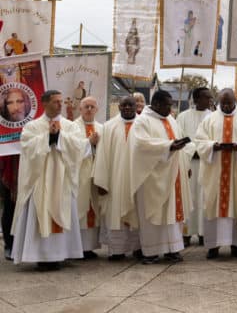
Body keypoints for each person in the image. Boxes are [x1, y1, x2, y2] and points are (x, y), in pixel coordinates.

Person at [11, 90, 85, 270]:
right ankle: (41, 256)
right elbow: (27, 147)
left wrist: (59, 136)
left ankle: (62, 254)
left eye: (61, 101)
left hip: (62, 180)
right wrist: (48, 137)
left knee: (63, 209)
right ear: (44, 103)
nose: (60, 105)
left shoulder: (70, 125)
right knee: (39, 214)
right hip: (40, 180)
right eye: (56, 102)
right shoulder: (32, 126)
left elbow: (78, 147)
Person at [128, 90, 193, 264]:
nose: (170, 108)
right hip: (152, 178)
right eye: (167, 105)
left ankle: (173, 249)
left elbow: (180, 143)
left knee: (172, 213)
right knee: (154, 213)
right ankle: (151, 251)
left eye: (171, 105)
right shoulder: (142, 121)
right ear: (155, 104)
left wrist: (184, 163)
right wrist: (169, 146)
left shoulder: (171, 120)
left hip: (174, 175)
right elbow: (141, 145)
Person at [194, 89, 237, 259]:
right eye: (223, 103)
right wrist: (213, 146)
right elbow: (199, 140)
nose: (226, 106)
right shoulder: (209, 119)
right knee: (212, 205)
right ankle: (213, 246)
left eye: (229, 103)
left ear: (236, 100)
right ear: (218, 102)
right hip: (215, 171)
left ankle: (236, 245)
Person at [92, 96, 141, 260]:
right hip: (115, 180)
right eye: (124, 105)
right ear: (119, 107)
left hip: (138, 179)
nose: (127, 108)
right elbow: (101, 155)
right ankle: (117, 250)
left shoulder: (144, 124)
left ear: (136, 107)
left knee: (138, 212)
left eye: (130, 105)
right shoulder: (108, 126)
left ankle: (139, 247)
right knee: (115, 213)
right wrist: (101, 180)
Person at [176, 87, 213, 246]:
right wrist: (191, 152)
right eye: (207, 98)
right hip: (188, 163)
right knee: (188, 197)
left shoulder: (214, 117)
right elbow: (179, 138)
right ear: (196, 99)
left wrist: (204, 150)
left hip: (207, 163)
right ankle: (186, 233)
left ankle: (205, 233)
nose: (210, 101)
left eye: (211, 98)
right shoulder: (183, 117)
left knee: (205, 198)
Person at [72, 97, 103, 259]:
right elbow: (71, 149)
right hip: (79, 175)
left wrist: (97, 145)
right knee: (79, 209)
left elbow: (106, 152)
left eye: (92, 106)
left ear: (97, 109)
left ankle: (88, 247)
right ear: (80, 109)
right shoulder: (72, 127)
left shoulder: (102, 128)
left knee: (95, 209)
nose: (89, 109)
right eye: (86, 107)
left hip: (96, 175)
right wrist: (88, 142)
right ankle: (76, 247)